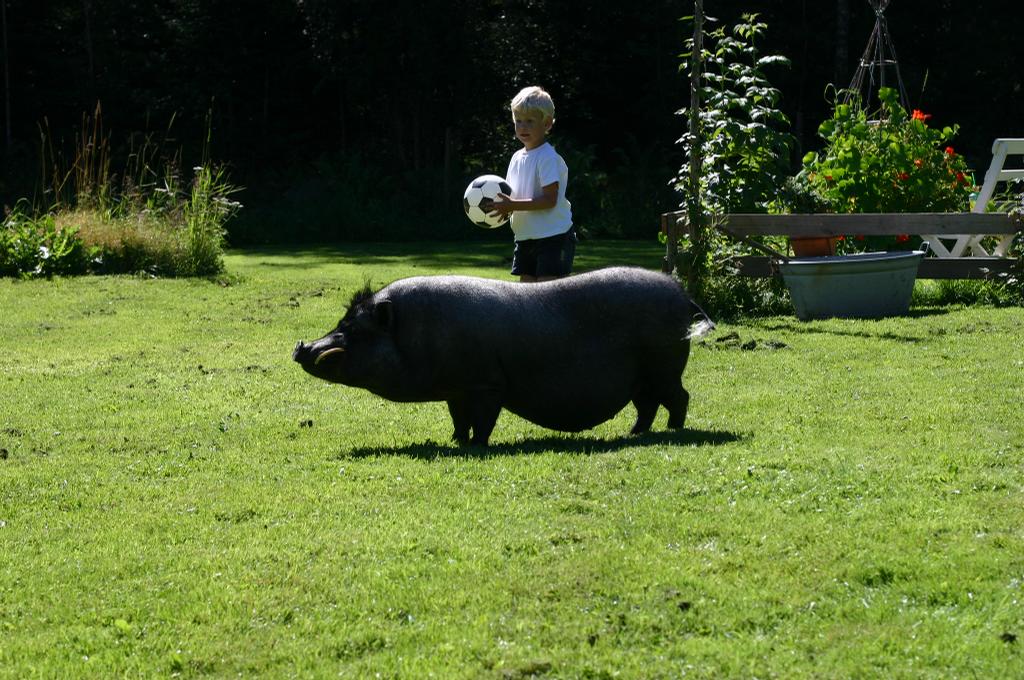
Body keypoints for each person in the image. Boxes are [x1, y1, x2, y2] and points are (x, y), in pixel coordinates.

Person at [491, 86, 576, 282]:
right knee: (526, 293)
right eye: (518, 121)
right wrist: (502, 208)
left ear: (547, 123)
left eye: (530, 121)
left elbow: (549, 200)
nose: (523, 127)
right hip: (525, 236)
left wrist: (512, 205)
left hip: (553, 235)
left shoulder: (547, 157)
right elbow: (513, 196)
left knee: (548, 292)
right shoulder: (516, 158)